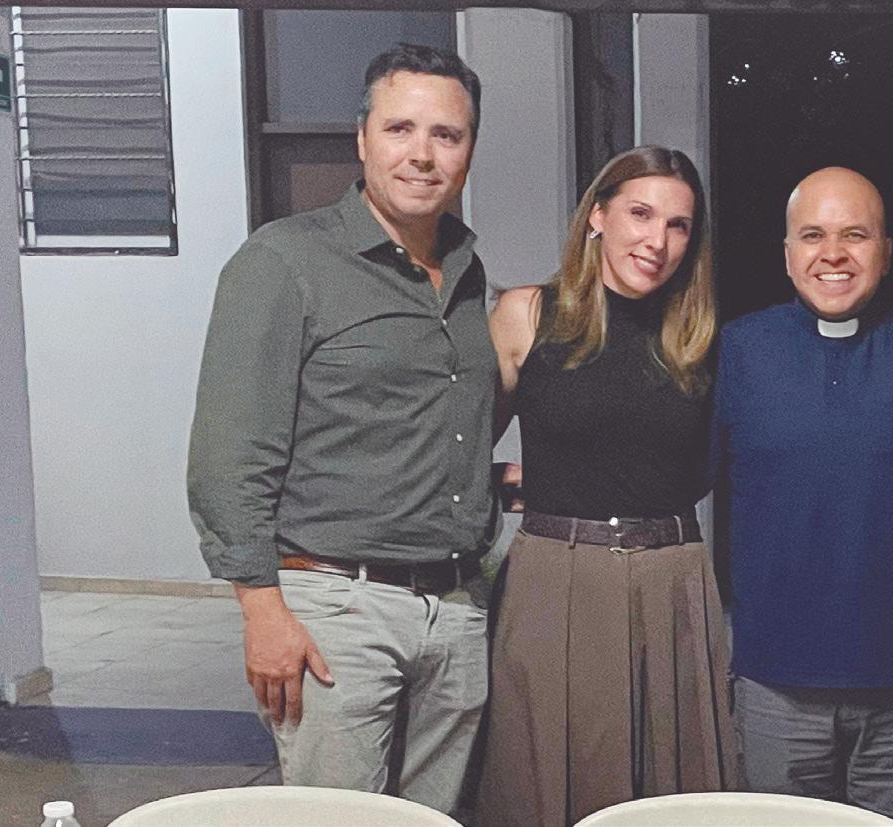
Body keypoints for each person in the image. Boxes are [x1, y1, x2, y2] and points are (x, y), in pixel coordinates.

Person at [185, 44, 491, 813]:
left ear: (469, 149)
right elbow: (230, 453)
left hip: (455, 607)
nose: (422, 154)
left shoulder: (467, 269)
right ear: (361, 139)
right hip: (336, 609)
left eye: (446, 134)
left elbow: (431, 420)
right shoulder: (284, 261)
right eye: (400, 128)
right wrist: (261, 609)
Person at [713, 167, 893, 827]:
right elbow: (669, 470)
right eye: (813, 235)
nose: (832, 254)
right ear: (787, 254)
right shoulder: (736, 353)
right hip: (776, 683)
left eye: (855, 235)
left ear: (885, 252)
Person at [474, 145, 737, 827]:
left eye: (678, 225)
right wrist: (512, 482)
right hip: (553, 580)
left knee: (672, 800)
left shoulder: (700, 338)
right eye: (640, 214)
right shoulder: (527, 314)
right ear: (597, 215)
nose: (657, 241)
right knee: (543, 787)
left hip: (672, 581)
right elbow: (458, 449)